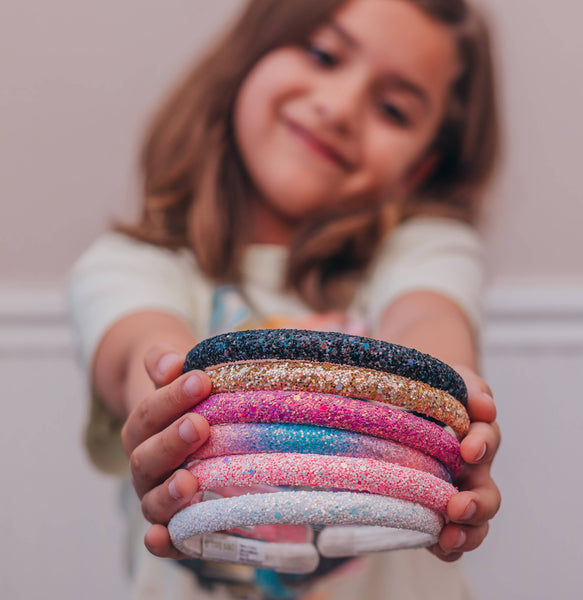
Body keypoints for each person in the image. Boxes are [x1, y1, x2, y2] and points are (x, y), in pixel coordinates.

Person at [68, 0, 502, 598]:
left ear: (420, 168)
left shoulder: (421, 249)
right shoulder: (130, 263)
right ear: (253, 52)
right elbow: (141, 350)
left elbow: (428, 312)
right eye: (323, 54)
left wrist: (451, 395)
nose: (341, 108)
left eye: (394, 109)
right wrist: (167, 407)